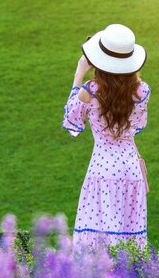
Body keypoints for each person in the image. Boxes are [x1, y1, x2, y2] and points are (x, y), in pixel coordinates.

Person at [62, 24, 150, 250]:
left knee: (98, 236)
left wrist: (78, 74)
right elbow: (136, 127)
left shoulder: (91, 90)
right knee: (129, 234)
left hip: (102, 170)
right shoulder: (142, 91)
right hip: (131, 168)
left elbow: (72, 121)